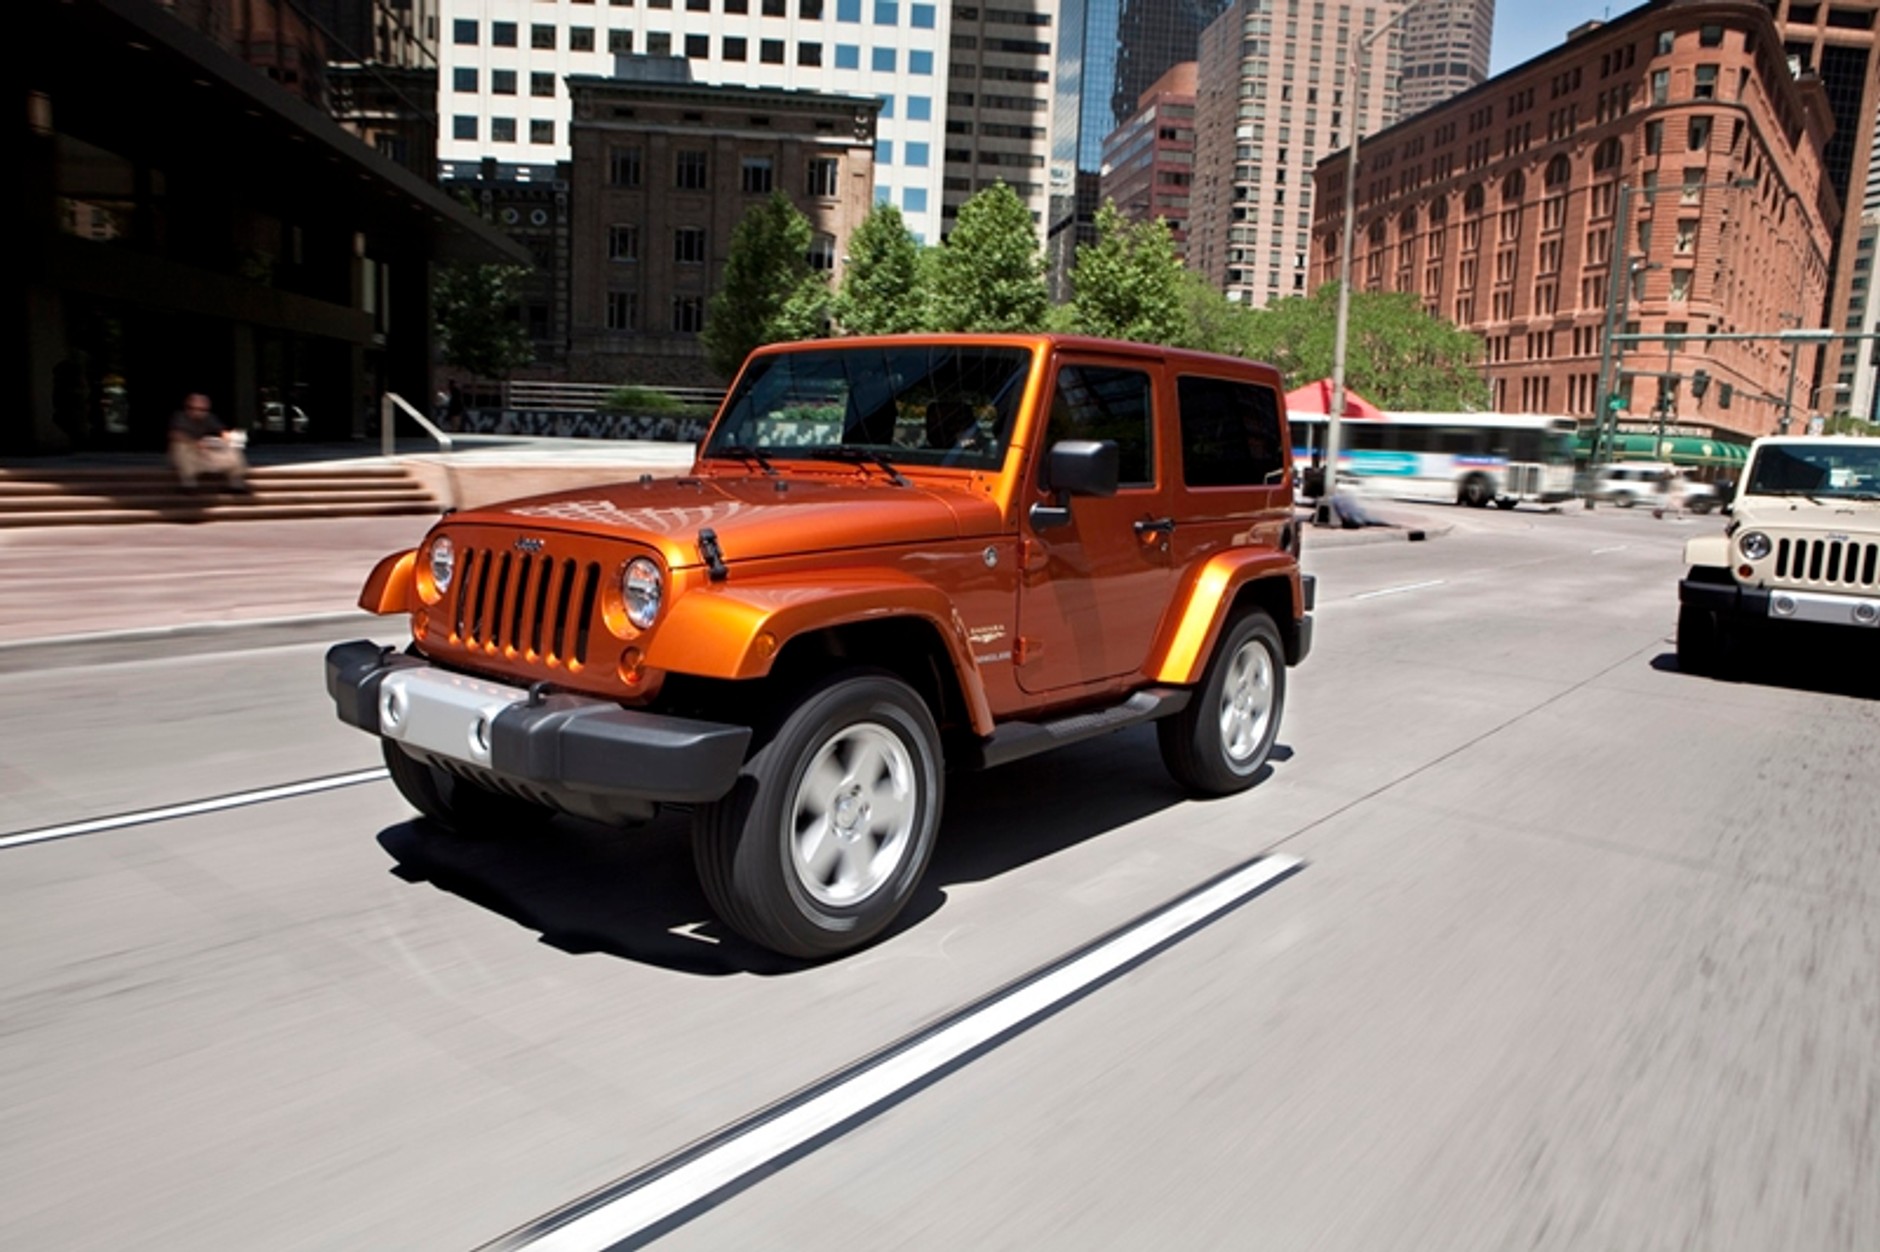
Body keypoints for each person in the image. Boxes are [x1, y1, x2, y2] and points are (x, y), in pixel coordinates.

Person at [168, 393, 250, 492]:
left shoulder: (209, 417)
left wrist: (228, 437)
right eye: (194, 408)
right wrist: (194, 443)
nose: (198, 412)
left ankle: (236, 484)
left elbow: (221, 431)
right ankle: (189, 484)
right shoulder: (180, 416)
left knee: (232, 447)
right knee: (180, 447)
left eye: (202, 410)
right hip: (186, 451)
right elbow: (175, 434)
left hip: (204, 452)